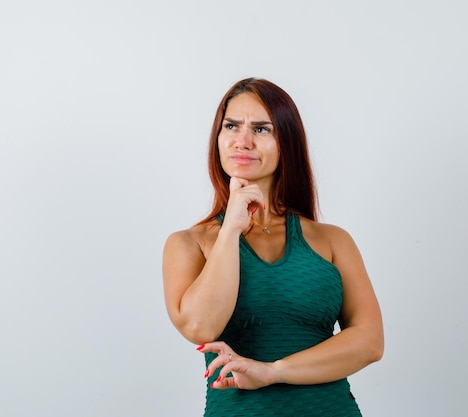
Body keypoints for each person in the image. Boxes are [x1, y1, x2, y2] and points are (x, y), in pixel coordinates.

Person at [162, 78, 384, 416]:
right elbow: (200, 327)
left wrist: (273, 372)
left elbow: (369, 342)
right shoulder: (189, 244)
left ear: (287, 142)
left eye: (262, 129)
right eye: (232, 126)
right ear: (217, 138)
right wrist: (232, 227)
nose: (243, 141)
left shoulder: (333, 241)